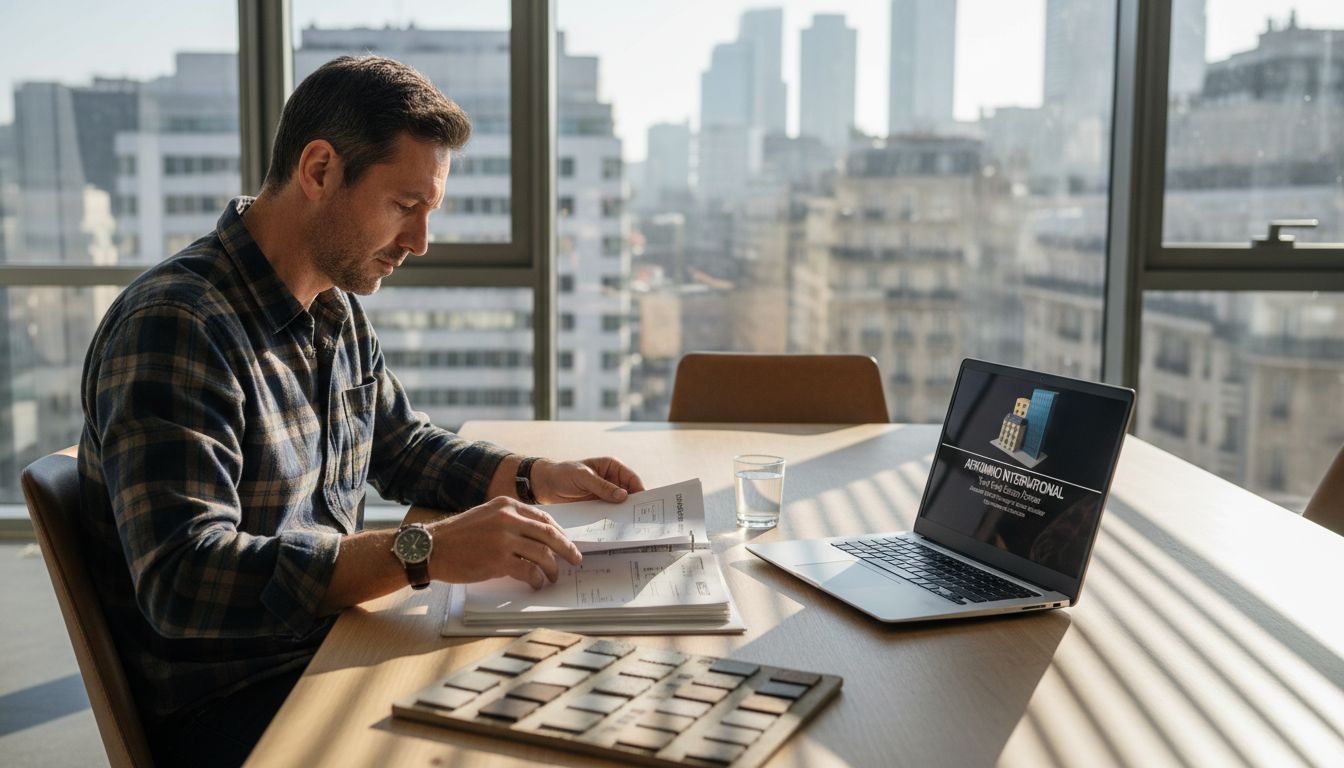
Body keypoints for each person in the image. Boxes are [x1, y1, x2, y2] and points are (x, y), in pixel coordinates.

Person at [77, 55, 644, 767]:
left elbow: (403, 447)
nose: (419, 243)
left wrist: (536, 476)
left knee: (567, 694)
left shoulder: (333, 309)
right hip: (236, 709)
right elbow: (184, 580)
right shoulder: (177, 325)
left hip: (332, 646)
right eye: (405, 206)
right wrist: (423, 551)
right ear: (319, 171)